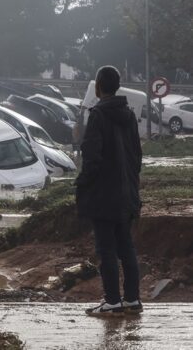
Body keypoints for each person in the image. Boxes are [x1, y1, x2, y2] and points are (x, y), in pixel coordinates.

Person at [76, 65, 142, 317]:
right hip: (127, 194)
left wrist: (82, 184)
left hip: (103, 196)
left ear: (98, 86)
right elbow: (137, 155)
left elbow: (92, 157)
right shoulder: (129, 115)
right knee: (126, 247)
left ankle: (112, 300)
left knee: (106, 250)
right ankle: (132, 299)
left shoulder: (98, 115)